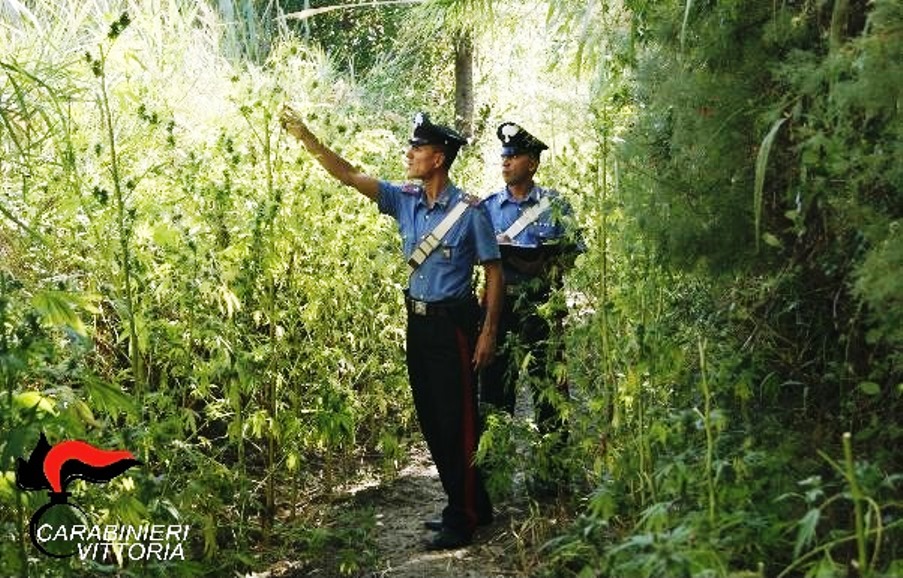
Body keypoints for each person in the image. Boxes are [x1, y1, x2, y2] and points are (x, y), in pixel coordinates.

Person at [280, 106, 503, 550]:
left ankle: (465, 514)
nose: (409, 153)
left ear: (438, 158)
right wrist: (307, 138)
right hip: (417, 324)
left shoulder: (469, 211)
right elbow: (349, 176)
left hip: (453, 327)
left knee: (457, 419)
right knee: (433, 419)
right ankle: (471, 501)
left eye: (417, 147)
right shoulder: (404, 199)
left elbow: (494, 272)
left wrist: (488, 331)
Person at [479, 121, 581, 494]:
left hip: (542, 309)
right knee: (493, 390)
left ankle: (553, 475)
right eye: (504, 156)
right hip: (498, 309)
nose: (506, 162)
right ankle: (492, 474)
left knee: (550, 390)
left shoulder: (556, 206)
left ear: (533, 164)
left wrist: (540, 264)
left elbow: (570, 257)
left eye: (515, 156)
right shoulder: (488, 208)